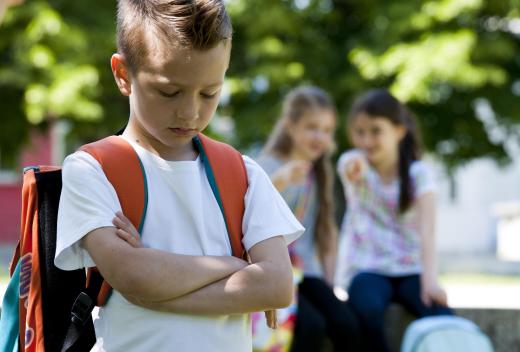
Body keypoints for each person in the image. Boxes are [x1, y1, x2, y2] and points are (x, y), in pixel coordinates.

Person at [54, 1, 304, 351]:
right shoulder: (93, 168)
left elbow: (277, 285)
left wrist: (157, 286)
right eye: (169, 91)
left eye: (209, 93)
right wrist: (235, 264)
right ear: (123, 74)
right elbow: (132, 276)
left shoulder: (242, 172)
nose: (190, 112)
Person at [336, 89, 452, 352]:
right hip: (368, 268)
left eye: (376, 131)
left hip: (411, 268)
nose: (367, 140)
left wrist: (431, 281)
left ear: (399, 131)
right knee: (366, 310)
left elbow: (428, 230)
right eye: (360, 132)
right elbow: (351, 164)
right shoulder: (354, 164)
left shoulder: (418, 174)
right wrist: (356, 167)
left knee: (441, 316)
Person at [258, 86, 361, 352]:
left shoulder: (319, 173)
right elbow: (248, 212)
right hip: (277, 269)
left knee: (346, 323)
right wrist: (281, 179)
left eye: (327, 130)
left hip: (307, 272)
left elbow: (325, 232)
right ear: (290, 127)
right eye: (312, 128)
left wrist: (330, 285)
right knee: (310, 326)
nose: (320, 137)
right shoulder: (267, 166)